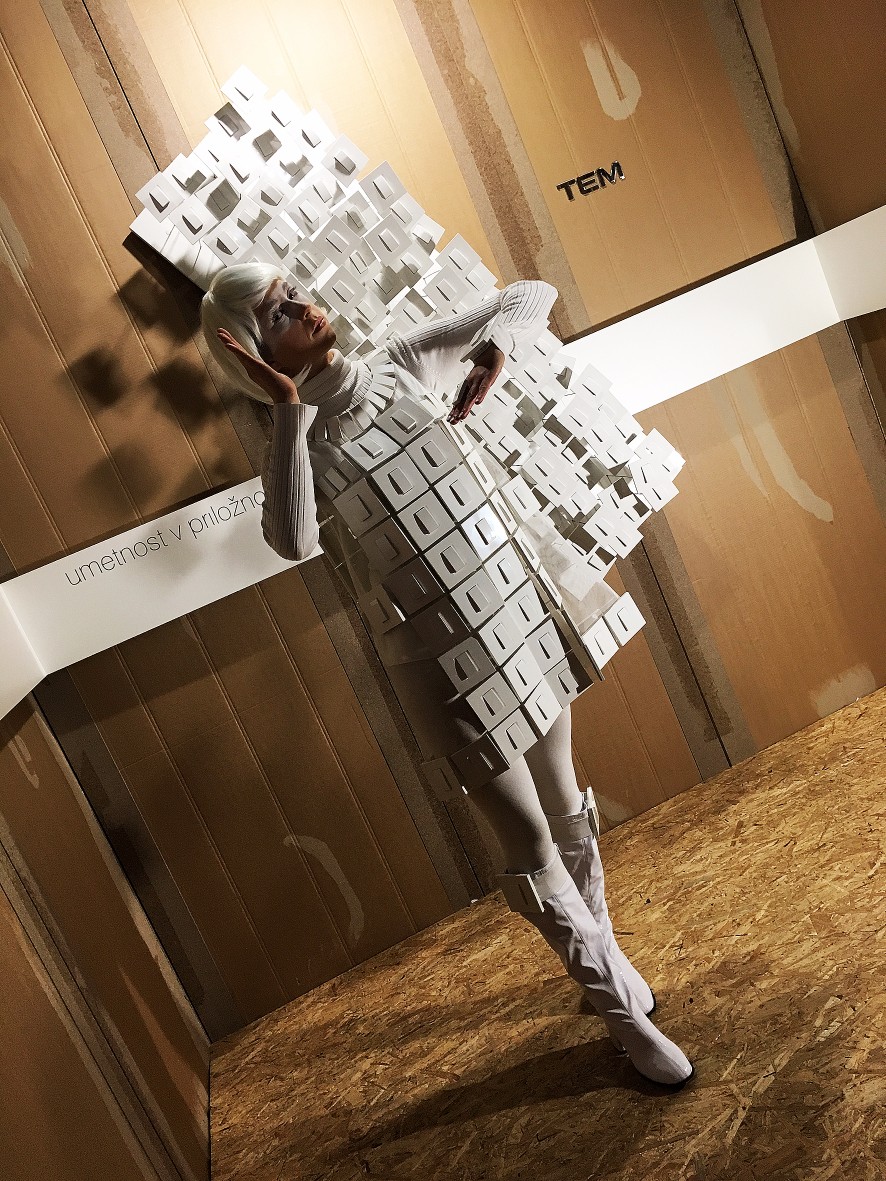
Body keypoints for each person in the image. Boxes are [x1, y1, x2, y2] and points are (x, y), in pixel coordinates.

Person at [201, 262, 694, 1087]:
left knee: (565, 799)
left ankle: (607, 963)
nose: (304, 308)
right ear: (255, 353)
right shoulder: (300, 444)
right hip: (437, 666)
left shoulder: (400, 362)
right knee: (528, 842)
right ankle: (625, 1018)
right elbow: (292, 539)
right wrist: (284, 410)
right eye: (278, 314)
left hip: (514, 614)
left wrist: (498, 347)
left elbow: (530, 295)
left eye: (294, 294)